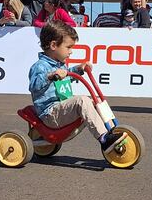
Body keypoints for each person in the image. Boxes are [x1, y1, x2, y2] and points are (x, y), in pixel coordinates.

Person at [29, 20, 128, 155]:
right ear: (53, 45)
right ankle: (104, 139)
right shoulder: (40, 66)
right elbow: (34, 86)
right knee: (82, 101)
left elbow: (67, 76)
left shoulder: (60, 64)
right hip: (50, 113)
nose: (71, 52)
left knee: (95, 101)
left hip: (62, 108)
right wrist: (50, 76)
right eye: (68, 47)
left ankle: (111, 130)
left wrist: (79, 68)